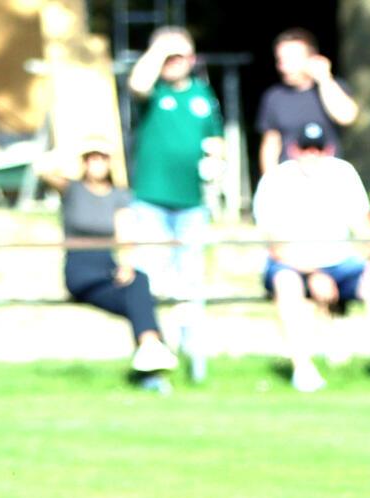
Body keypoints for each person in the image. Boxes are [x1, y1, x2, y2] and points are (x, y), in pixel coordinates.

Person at [253, 122, 370, 393]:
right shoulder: (275, 180)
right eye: (306, 148)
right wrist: (315, 273)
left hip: (340, 264)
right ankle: (303, 370)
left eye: (318, 148)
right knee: (286, 282)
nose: (312, 155)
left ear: (329, 149)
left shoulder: (343, 173)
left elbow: (366, 229)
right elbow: (276, 247)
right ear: (293, 149)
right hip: (292, 265)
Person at [37, 142, 180, 390]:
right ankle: (153, 362)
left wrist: (126, 264)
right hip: (81, 271)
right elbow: (41, 168)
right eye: (91, 158)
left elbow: (124, 237)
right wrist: (68, 149)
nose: (97, 163)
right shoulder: (72, 190)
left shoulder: (118, 196)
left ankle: (150, 356)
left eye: (102, 158)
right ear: (84, 162)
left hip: (108, 268)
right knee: (142, 303)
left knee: (139, 283)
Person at [126, 26, 223, 381]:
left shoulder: (203, 95)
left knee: (192, 282)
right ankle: (153, 360)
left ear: (192, 59)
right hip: (151, 201)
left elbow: (215, 139)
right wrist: (158, 50)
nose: (173, 62)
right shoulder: (153, 93)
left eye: (179, 55)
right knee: (151, 279)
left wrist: (216, 162)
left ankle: (195, 366)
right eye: (167, 57)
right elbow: (137, 84)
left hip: (192, 204)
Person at [257, 28, 359, 168]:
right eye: (280, 60)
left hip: (330, 179)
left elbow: (347, 117)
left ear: (312, 58)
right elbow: (271, 144)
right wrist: (269, 181)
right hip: (290, 181)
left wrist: (324, 78)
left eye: (290, 60)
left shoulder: (332, 87)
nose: (283, 68)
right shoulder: (274, 96)